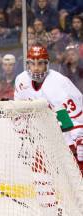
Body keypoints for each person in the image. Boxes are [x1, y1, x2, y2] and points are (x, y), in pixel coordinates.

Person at [14, 45, 83, 174]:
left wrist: (78, 139)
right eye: (32, 63)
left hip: (67, 139)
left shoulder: (58, 84)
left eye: (40, 63)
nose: (35, 68)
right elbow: (19, 112)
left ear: (47, 64)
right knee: (42, 182)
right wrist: (24, 138)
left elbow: (75, 118)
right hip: (42, 140)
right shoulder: (21, 81)